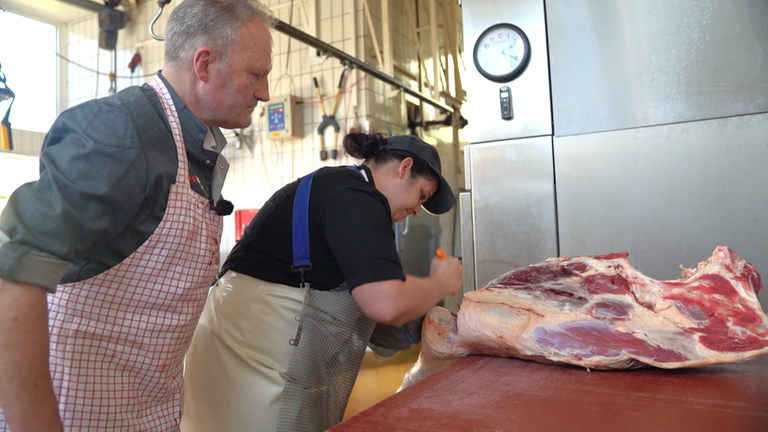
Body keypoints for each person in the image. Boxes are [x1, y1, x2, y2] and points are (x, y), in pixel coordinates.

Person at [0, 0, 275, 430]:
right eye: (255, 74)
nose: (264, 93)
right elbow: (12, 276)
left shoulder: (191, 145)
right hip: (75, 414)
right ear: (204, 64)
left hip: (145, 411)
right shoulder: (122, 134)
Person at [181, 132, 464, 432]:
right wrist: (440, 281)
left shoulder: (341, 188)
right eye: (420, 195)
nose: (416, 210)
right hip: (250, 358)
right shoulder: (357, 198)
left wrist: (416, 327)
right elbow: (385, 301)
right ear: (404, 168)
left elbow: (363, 306)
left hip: (243, 353)